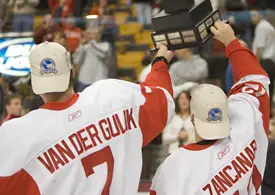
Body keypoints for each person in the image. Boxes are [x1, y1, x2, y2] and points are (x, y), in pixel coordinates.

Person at [0, 42, 175, 195]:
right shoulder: (111, 95)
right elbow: (162, 100)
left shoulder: (16, 134)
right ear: (72, 70)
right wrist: (160, 62)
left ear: (34, 82)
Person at [150, 21, 270, 195]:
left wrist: (159, 63)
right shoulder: (245, 129)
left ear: (192, 117)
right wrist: (231, 41)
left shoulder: (175, 166)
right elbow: (256, 80)